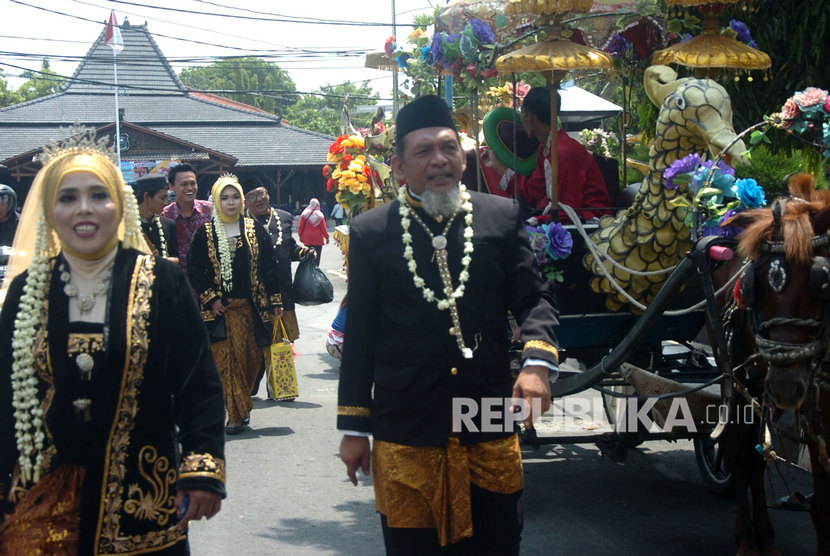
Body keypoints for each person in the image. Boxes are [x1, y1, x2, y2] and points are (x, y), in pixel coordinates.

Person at [337, 95, 559, 554]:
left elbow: (535, 297)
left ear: (464, 155)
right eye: (424, 152)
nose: (439, 161)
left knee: (498, 542)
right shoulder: (371, 232)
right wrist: (354, 429)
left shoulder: (501, 216)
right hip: (408, 427)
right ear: (399, 166)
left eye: (448, 148)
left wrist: (537, 363)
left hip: (489, 417)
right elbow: (360, 337)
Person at [0, 141, 226, 554]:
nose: (83, 208)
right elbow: (4, 396)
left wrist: (202, 469)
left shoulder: (163, 283)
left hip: (144, 500)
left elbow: (199, 384)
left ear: (120, 206)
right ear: (51, 211)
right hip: (43, 503)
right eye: (68, 198)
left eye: (98, 195)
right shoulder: (26, 290)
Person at [187, 174, 283, 434]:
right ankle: (235, 416)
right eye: (225, 198)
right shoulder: (205, 234)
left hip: (251, 309)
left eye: (235, 197)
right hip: (221, 312)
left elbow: (269, 267)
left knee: (251, 362)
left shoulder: (254, 230)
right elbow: (195, 269)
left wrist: (275, 300)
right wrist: (212, 298)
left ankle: (241, 405)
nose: (231, 203)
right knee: (226, 364)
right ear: (217, 202)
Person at [481, 86, 612, 222]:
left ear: (529, 116)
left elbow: (567, 211)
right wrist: (497, 165)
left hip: (590, 224)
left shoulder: (564, 152)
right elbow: (531, 192)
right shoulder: (547, 149)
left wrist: (535, 222)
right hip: (566, 219)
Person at [241, 176, 313, 400]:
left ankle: (281, 388)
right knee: (257, 344)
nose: (258, 199)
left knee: (280, 342)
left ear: (268, 194)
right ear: (245, 202)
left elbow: (288, 248)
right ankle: (250, 387)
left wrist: (304, 253)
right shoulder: (240, 222)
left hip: (282, 292)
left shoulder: (283, 217)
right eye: (252, 196)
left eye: (261, 193)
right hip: (254, 295)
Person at [160, 163, 212, 274]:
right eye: (184, 184)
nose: (189, 188)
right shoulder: (165, 215)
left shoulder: (210, 210)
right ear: (172, 187)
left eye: (193, 183)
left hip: (208, 278)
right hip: (180, 281)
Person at [133, 173, 180, 263]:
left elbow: (176, 257)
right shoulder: (128, 227)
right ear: (146, 196)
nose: (166, 202)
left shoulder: (169, 225)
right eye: (162, 198)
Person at [297, 198, 329, 266]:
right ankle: (315, 269)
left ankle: (309, 269)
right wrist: (327, 237)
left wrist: (300, 235)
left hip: (307, 239)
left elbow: (301, 227)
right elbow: (323, 227)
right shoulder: (320, 215)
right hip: (318, 239)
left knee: (308, 255)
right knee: (317, 257)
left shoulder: (304, 214)